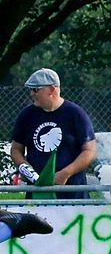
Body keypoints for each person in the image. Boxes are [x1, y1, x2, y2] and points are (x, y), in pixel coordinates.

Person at [11, 68, 97, 199]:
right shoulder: (26, 115)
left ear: (52, 89)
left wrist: (66, 173)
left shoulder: (75, 114)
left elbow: (89, 151)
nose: (32, 94)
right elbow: (16, 149)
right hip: (37, 194)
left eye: (36, 90)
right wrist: (25, 168)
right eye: (31, 90)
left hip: (72, 195)